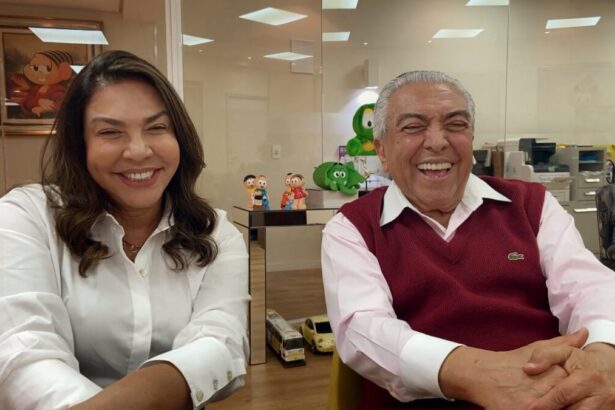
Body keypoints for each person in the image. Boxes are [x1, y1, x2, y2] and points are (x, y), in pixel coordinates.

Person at [321, 70, 615, 409]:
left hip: (551, 392)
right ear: (382, 151)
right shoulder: (353, 227)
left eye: (455, 124)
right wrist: (481, 375)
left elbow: (589, 287)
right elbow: (363, 329)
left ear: (471, 137)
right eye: (414, 126)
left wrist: (602, 353)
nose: (437, 141)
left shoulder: (532, 205)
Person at [0, 50, 249, 410]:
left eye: (157, 128)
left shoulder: (216, 233)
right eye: (110, 132)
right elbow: (22, 350)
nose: (138, 151)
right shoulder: (26, 216)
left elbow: (220, 343)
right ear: (80, 145)